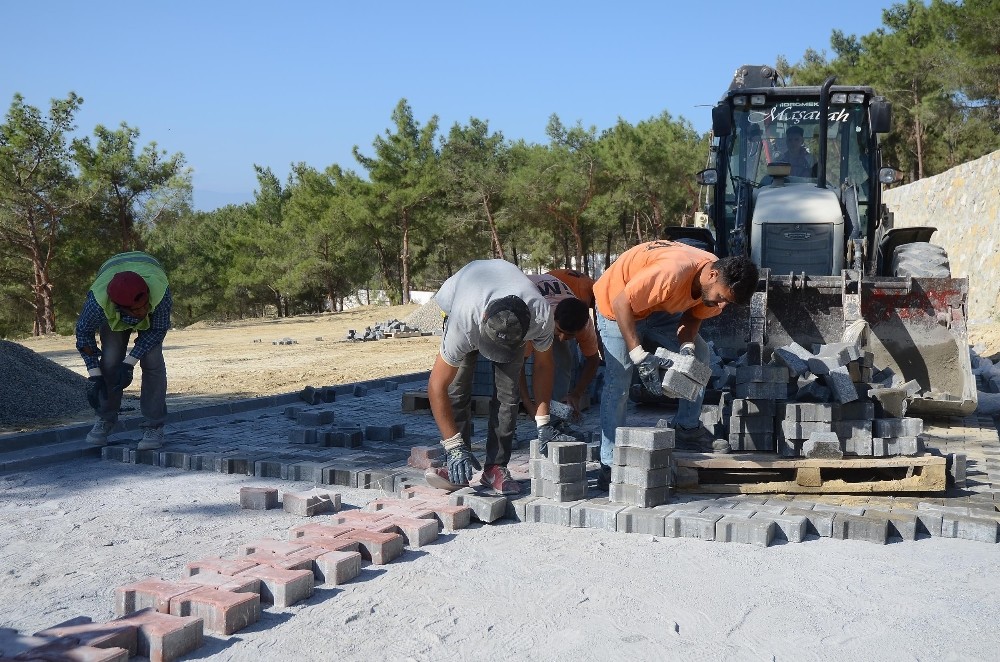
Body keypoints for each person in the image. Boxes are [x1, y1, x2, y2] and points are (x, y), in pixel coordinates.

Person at [593, 240, 759, 489]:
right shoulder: (671, 272)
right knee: (619, 381)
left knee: (701, 356)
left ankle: (687, 428)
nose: (722, 305)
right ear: (712, 275)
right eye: (722, 297)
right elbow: (621, 303)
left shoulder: (711, 284)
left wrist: (687, 349)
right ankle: (610, 461)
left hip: (655, 307)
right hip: (615, 303)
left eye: (728, 302)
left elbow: (692, 317)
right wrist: (639, 355)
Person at [424, 259, 561, 496]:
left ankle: (495, 467)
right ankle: (457, 462)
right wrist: (452, 445)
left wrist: (543, 421)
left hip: (502, 309)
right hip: (464, 297)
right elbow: (437, 387)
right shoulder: (463, 321)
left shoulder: (539, 315)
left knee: (508, 395)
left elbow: (543, 367)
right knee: (457, 388)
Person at [76, 251, 173, 450]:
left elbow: (157, 331)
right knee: (110, 361)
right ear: (118, 307)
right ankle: (105, 419)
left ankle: (153, 426)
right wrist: (94, 376)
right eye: (135, 310)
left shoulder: (160, 293)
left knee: (153, 362)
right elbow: (83, 335)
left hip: (148, 268)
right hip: (110, 274)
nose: (142, 312)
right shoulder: (98, 303)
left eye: (144, 306)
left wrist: (129, 364)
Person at [519, 272, 601, 420]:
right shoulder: (536, 318)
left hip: (550, 302)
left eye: (570, 336)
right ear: (554, 318)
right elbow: (517, 366)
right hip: (520, 301)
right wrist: (527, 403)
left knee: (564, 359)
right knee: (506, 373)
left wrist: (576, 394)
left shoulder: (585, 325)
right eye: (561, 331)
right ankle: (508, 429)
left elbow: (593, 360)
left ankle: (558, 418)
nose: (563, 338)